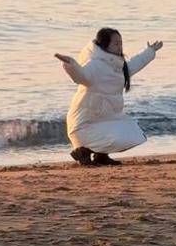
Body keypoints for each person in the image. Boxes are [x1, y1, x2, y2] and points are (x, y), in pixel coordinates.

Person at [55, 28, 162, 167]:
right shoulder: (95, 65)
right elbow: (82, 76)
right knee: (113, 135)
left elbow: (136, 64)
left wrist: (150, 51)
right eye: (116, 44)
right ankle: (82, 151)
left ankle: (101, 155)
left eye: (121, 43)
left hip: (105, 119)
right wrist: (70, 64)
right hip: (84, 123)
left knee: (131, 132)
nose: (120, 47)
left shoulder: (119, 67)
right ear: (104, 46)